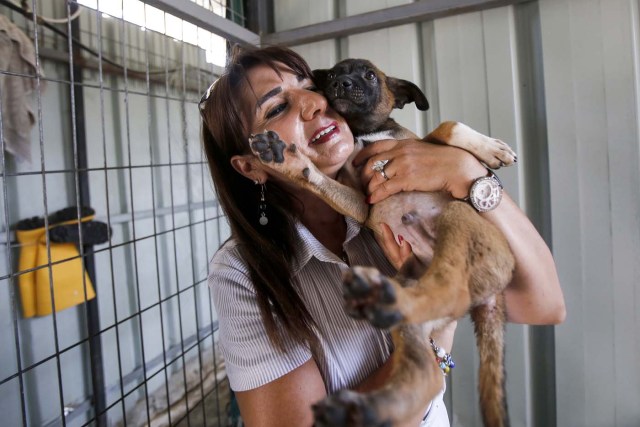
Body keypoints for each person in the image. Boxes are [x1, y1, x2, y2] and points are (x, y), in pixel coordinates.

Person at [200, 45, 565, 427]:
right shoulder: (241, 274)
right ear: (250, 166)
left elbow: (544, 305)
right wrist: (438, 326)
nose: (313, 104)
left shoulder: (394, 184)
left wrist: (467, 173)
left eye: (310, 85)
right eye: (276, 108)